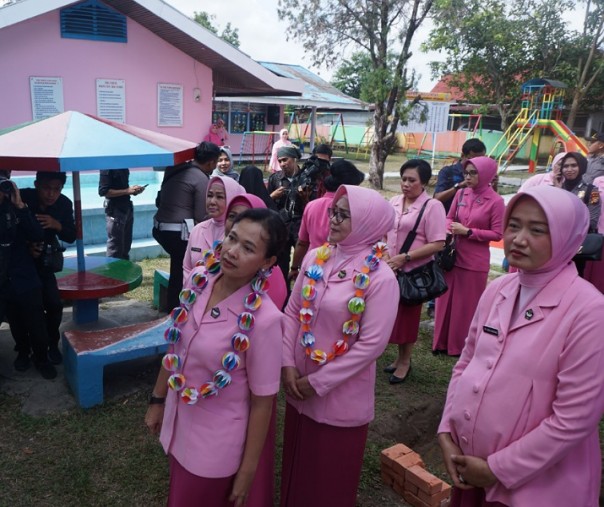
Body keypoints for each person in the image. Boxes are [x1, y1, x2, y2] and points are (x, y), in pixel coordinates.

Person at [438, 185, 604, 507]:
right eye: (514, 225)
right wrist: (447, 431)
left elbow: (575, 417)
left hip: (535, 490)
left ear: (567, 236)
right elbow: (467, 363)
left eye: (537, 230)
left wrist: (498, 469)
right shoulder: (499, 289)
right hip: (471, 471)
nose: (519, 238)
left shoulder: (589, 311)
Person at [145, 208, 287, 507]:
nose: (232, 251)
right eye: (231, 238)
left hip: (214, 447)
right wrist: (158, 401)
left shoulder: (264, 320)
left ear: (268, 262)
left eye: (248, 248)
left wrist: (248, 472)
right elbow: (174, 347)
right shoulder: (199, 280)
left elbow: (263, 403)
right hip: (177, 422)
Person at [280, 185, 399, 507]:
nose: (332, 220)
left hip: (339, 398)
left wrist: (317, 382)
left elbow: (372, 345)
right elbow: (292, 311)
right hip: (298, 386)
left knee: (327, 482)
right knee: (297, 468)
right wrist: (288, 365)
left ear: (366, 223)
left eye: (343, 215)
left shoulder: (381, 279)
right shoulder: (316, 258)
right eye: (333, 211)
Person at [433, 156, 505, 356]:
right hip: (452, 256)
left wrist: (469, 232)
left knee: (465, 306)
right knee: (444, 301)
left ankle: (458, 347)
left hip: (474, 261)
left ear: (487, 175)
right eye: (467, 172)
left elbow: (498, 234)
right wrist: (449, 228)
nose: (469, 176)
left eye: (474, 173)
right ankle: (439, 342)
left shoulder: (496, 201)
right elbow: (449, 217)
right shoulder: (461, 193)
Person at [383, 160, 447, 384]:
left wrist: (406, 257)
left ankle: (405, 362)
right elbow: (385, 232)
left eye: (412, 180)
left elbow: (438, 243)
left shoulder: (432, 206)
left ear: (424, 182)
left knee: (408, 318)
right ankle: (397, 359)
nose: (406, 184)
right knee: (392, 315)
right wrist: (385, 254)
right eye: (403, 179)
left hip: (413, 272)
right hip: (390, 269)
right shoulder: (393, 201)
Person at [12, 172, 76, 365]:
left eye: (57, 189)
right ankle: (24, 349)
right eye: (46, 188)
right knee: (23, 310)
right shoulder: (22, 198)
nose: (51, 194)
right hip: (21, 263)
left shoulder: (63, 204)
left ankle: (52, 344)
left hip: (46, 262)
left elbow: (72, 235)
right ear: (36, 184)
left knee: (54, 305)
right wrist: (25, 246)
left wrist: (57, 225)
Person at [0, 176, 56, 379]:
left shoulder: (17, 208)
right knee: (15, 321)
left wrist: (20, 206)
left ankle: (42, 358)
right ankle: (23, 352)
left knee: (36, 322)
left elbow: (36, 234)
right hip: (3, 280)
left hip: (24, 275)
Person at [153, 141, 220, 310]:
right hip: (178, 234)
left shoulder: (174, 169)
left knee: (177, 267)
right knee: (183, 270)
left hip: (159, 229)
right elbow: (202, 216)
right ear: (211, 162)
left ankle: (174, 306)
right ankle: (179, 308)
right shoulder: (201, 178)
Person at [289, 159, 365, 280]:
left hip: (312, 267)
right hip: (341, 270)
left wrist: (294, 268)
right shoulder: (352, 209)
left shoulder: (311, 206)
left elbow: (302, 242)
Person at [182, 176, 244, 282]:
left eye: (219, 197)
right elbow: (187, 268)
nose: (212, 201)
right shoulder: (198, 230)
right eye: (209, 195)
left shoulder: (238, 233)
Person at [267, 146, 305, 280]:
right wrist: (272, 196)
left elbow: (313, 206)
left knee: (304, 263)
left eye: (285, 160)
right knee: (280, 263)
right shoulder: (275, 179)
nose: (282, 164)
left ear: (294, 159)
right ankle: (283, 292)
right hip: (281, 226)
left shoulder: (306, 178)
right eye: (280, 161)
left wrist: (305, 197)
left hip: (301, 226)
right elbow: (265, 203)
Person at [98, 168, 145, 260]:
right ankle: (113, 273)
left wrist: (133, 191)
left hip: (126, 208)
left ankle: (124, 272)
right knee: (115, 249)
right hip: (115, 211)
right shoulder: (107, 167)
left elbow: (124, 188)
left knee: (125, 247)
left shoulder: (123, 166)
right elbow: (103, 191)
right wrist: (127, 191)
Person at [434, 138, 487, 214]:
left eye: (481, 159)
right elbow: (437, 198)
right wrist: (459, 186)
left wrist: (494, 185)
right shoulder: (448, 172)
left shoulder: (483, 173)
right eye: (473, 159)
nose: (477, 163)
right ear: (463, 156)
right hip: (447, 218)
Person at [559, 152, 600, 231]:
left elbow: (592, 222)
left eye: (574, 165)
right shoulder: (556, 188)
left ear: (581, 167)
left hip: (579, 237)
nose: (569, 170)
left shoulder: (592, 191)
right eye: (565, 166)